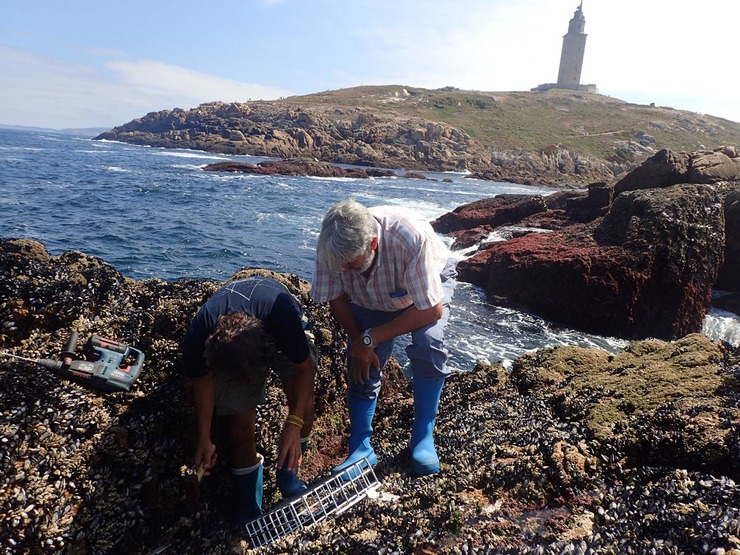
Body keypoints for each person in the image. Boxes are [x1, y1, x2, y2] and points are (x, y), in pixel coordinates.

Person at [311, 199, 456, 476]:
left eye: (351, 265)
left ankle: (423, 437)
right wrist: (359, 341)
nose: (343, 271)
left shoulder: (410, 239)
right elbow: (337, 298)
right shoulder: (332, 246)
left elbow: (430, 310)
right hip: (370, 298)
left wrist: (372, 336)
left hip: (423, 291)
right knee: (360, 363)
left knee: (429, 344)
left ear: (373, 244)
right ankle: (360, 447)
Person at [181, 276, 317, 526]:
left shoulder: (282, 317)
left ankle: (289, 479)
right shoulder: (199, 334)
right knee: (241, 429)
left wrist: (294, 423)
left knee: (304, 405)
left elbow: (305, 369)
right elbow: (203, 379)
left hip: (272, 329)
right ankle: (249, 509)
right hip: (234, 349)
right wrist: (204, 437)